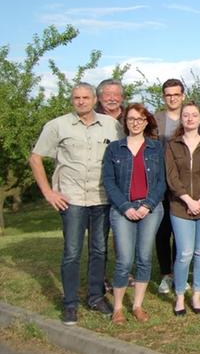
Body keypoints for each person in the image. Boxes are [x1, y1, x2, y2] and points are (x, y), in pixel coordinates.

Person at [29, 82, 124, 325]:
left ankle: (95, 297)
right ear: (72, 100)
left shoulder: (111, 126)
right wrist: (49, 192)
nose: (81, 101)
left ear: (95, 100)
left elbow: (122, 157)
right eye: (76, 98)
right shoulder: (57, 125)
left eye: (85, 97)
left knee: (99, 250)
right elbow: (36, 158)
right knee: (72, 252)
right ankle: (70, 303)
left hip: (101, 198)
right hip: (71, 200)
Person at [101, 104, 166, 324]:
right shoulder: (114, 149)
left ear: (146, 122)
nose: (135, 123)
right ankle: (118, 308)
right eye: (131, 119)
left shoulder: (156, 148)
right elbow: (109, 182)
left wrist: (147, 205)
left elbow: (161, 182)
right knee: (124, 260)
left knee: (144, 258)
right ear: (125, 122)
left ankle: (137, 305)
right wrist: (125, 206)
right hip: (123, 209)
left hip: (150, 209)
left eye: (140, 119)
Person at [165, 103, 200, 315]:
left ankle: (197, 296)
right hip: (180, 206)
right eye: (186, 115)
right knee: (184, 253)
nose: (190, 118)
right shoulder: (172, 146)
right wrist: (189, 200)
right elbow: (171, 177)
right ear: (181, 119)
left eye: (194, 115)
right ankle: (180, 296)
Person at [153, 78, 185, 295]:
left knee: (181, 233)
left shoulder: (191, 117)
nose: (172, 98)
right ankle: (166, 274)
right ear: (164, 97)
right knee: (163, 232)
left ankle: (180, 273)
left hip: (185, 186)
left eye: (176, 94)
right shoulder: (155, 120)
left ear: (182, 95)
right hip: (161, 186)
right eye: (168, 95)